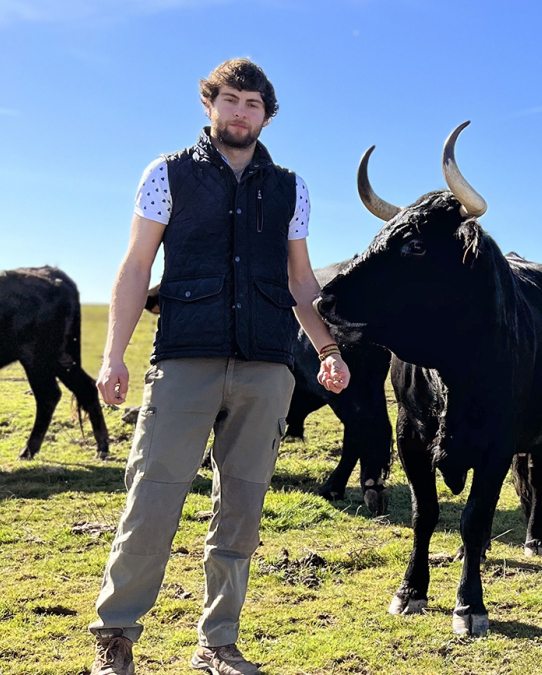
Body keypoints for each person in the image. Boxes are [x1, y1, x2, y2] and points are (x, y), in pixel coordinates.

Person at [89, 58, 350, 675]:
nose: (241, 112)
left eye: (253, 104)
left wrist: (328, 349)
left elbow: (301, 280)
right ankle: (116, 635)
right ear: (210, 105)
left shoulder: (291, 186)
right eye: (230, 99)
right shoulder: (167, 174)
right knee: (151, 501)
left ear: (267, 114)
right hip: (184, 360)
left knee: (242, 508)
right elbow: (134, 269)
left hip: (267, 367)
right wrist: (112, 354)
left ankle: (218, 640)